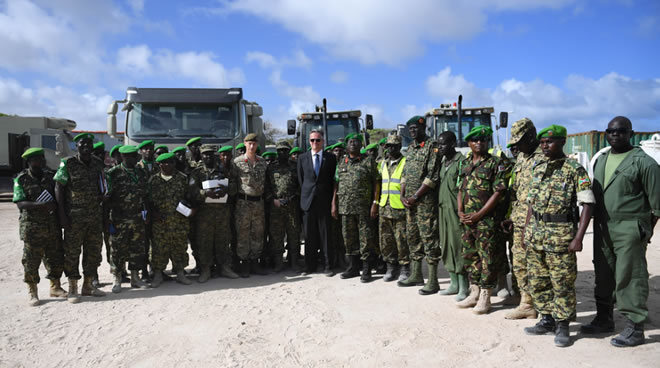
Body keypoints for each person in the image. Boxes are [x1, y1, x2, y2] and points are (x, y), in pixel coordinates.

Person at [581, 116, 660, 347]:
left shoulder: (645, 163)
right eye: (611, 131)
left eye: (621, 131)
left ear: (631, 134)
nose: (615, 135)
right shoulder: (601, 159)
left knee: (630, 276)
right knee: (603, 272)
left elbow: (656, 206)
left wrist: (643, 232)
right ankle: (604, 318)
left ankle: (635, 327)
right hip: (603, 225)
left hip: (630, 227)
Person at [523, 124, 594, 348]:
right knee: (538, 280)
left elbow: (588, 204)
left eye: (550, 142)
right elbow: (531, 204)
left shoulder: (574, 169)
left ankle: (563, 324)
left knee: (562, 282)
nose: (545, 146)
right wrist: (527, 229)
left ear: (562, 142)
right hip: (536, 234)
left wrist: (579, 237)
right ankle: (546, 319)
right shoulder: (538, 167)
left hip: (561, 236)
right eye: (542, 143)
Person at [456, 126, 507, 313]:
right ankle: (474, 291)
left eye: (483, 140)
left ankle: (486, 296)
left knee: (488, 257)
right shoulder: (465, 163)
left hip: (486, 220)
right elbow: (460, 189)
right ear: (469, 143)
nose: (479, 143)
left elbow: (498, 193)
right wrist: (460, 211)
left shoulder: (496, 163)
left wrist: (479, 214)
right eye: (475, 140)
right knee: (470, 255)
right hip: (467, 220)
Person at [54, 132, 106, 302]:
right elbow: (59, 188)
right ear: (76, 146)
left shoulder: (98, 163)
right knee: (72, 253)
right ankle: (73, 288)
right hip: (74, 218)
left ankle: (88, 285)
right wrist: (61, 215)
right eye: (82, 144)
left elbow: (102, 184)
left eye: (88, 144)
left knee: (93, 252)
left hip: (94, 217)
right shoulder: (67, 163)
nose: (86, 147)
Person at [13, 148, 67, 306]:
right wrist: (40, 205)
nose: (41, 161)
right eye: (36, 159)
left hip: (52, 226)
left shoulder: (50, 177)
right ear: (29, 162)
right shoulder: (21, 179)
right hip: (32, 228)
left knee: (55, 258)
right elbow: (20, 203)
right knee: (31, 260)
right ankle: (32, 291)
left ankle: (55, 287)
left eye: (42, 158)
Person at [503, 118, 544, 320]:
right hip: (519, 221)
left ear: (531, 136)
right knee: (519, 263)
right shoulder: (521, 158)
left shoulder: (544, 157)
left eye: (520, 141)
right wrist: (511, 216)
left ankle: (543, 305)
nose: (516, 146)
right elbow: (516, 192)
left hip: (538, 223)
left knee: (539, 265)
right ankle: (526, 303)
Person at [397, 116, 441, 295]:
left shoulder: (432, 146)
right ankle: (416, 275)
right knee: (412, 237)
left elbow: (433, 175)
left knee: (429, 238)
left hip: (425, 202)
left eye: (416, 128)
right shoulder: (411, 149)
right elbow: (405, 174)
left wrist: (415, 196)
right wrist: (402, 194)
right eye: (410, 129)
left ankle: (433, 280)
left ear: (423, 128)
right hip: (410, 202)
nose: (413, 131)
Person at [332, 133, 379, 282]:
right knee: (349, 239)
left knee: (366, 238)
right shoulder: (341, 162)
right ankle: (353, 267)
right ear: (346, 146)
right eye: (350, 142)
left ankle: (366, 270)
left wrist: (375, 203)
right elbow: (336, 184)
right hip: (345, 208)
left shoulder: (368, 161)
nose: (353, 144)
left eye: (356, 142)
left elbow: (376, 182)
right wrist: (334, 203)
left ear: (361, 145)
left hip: (363, 207)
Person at [190, 144, 239, 282]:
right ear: (201, 155)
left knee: (223, 241)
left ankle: (224, 267)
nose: (208, 156)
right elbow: (191, 191)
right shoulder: (197, 172)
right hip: (204, 215)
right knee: (204, 242)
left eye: (210, 154)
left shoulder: (224, 170)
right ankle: (206, 270)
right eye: (205, 154)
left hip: (222, 214)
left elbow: (235, 187)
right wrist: (204, 193)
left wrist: (227, 189)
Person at [105, 145, 150, 292]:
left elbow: (146, 195)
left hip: (137, 217)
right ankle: (117, 278)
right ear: (122, 157)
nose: (131, 159)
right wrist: (107, 220)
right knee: (117, 249)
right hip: (119, 218)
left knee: (136, 248)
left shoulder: (141, 172)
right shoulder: (113, 173)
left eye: (133, 156)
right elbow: (107, 198)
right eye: (127, 156)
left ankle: (135, 278)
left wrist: (146, 212)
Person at [148, 153, 193, 287]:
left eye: (170, 162)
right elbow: (148, 201)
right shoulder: (153, 180)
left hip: (179, 220)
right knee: (158, 248)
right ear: (159, 164)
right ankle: (157, 274)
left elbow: (190, 197)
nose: (167, 165)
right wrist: (154, 214)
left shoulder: (183, 179)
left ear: (174, 164)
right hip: (160, 221)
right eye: (164, 163)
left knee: (179, 246)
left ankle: (180, 273)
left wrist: (191, 210)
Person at [297, 130, 337, 276]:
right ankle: (309, 266)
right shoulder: (302, 158)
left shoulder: (331, 158)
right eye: (312, 140)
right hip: (308, 202)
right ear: (309, 142)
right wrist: (308, 195)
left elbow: (333, 180)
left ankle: (328, 265)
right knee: (309, 236)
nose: (315, 143)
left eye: (318, 140)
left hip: (324, 202)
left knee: (326, 235)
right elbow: (301, 180)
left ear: (323, 142)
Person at [436, 131, 470, 301]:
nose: (439, 147)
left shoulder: (461, 162)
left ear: (452, 144)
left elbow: (463, 189)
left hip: (456, 211)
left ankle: (464, 285)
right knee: (446, 245)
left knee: (458, 247)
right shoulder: (443, 162)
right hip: (443, 210)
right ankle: (453, 283)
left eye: (442, 144)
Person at [230, 133, 269, 277]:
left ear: (257, 145)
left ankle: (255, 263)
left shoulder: (262, 162)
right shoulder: (237, 162)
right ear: (245, 144)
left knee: (258, 233)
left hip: (259, 203)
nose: (252, 146)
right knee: (243, 234)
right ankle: (244, 264)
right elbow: (233, 182)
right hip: (243, 203)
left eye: (254, 144)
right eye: (249, 143)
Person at [376, 135, 410, 282]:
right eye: (389, 146)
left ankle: (404, 268)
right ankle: (391, 267)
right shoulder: (382, 164)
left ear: (400, 146)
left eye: (395, 146)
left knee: (401, 240)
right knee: (386, 240)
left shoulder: (405, 162)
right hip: (384, 207)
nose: (391, 148)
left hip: (399, 208)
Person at [266, 140, 302, 272]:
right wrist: (273, 199)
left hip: (292, 206)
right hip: (276, 207)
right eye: (280, 151)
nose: (282, 153)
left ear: (289, 152)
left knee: (294, 234)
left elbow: (301, 184)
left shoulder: (295, 166)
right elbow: (267, 186)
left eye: (285, 150)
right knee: (277, 235)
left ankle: (294, 263)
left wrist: (293, 197)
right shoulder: (271, 167)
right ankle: (279, 263)